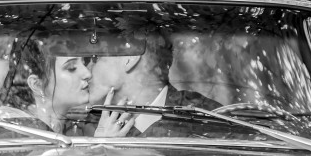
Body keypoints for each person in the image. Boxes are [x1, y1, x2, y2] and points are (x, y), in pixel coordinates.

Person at [0, 37, 133, 136]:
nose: (87, 73)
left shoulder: (74, 126)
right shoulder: (9, 125)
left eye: (83, 62)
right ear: (37, 84)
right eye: (71, 68)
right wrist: (100, 147)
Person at [88, 33, 220, 136]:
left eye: (96, 58)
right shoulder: (86, 125)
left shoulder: (209, 119)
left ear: (130, 58)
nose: (86, 71)